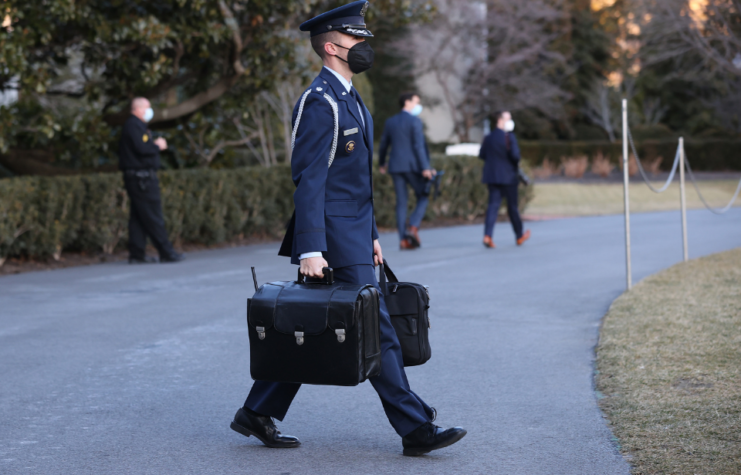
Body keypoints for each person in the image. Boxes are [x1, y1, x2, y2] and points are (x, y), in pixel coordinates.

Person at [229, 1, 466, 457]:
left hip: (354, 235)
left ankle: (258, 411)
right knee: (377, 332)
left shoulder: (350, 97)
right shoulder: (320, 102)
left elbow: (357, 183)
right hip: (332, 240)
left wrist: (373, 234)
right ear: (333, 46)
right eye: (356, 39)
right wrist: (311, 249)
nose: (363, 45)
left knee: (309, 323)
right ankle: (416, 428)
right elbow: (309, 182)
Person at [118, 98, 184, 264]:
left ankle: (136, 254)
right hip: (142, 179)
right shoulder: (133, 125)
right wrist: (157, 146)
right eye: (148, 107)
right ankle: (166, 252)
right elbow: (141, 149)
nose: (150, 111)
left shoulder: (136, 126)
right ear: (138, 109)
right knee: (153, 215)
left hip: (140, 177)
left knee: (138, 217)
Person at [379, 92, 436, 249]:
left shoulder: (391, 121)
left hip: (396, 167)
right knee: (423, 196)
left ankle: (403, 240)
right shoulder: (415, 121)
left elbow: (384, 144)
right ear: (407, 102)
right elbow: (418, 146)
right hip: (412, 167)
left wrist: (382, 163)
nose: (418, 105)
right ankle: (413, 227)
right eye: (416, 102)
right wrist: (426, 167)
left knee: (401, 203)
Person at [479, 110, 531, 248]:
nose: (510, 122)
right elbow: (515, 156)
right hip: (508, 177)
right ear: (500, 120)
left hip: (492, 176)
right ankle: (519, 235)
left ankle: (487, 235)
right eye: (508, 119)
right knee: (512, 207)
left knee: (493, 206)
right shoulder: (509, 137)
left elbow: (482, 154)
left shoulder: (488, 137)